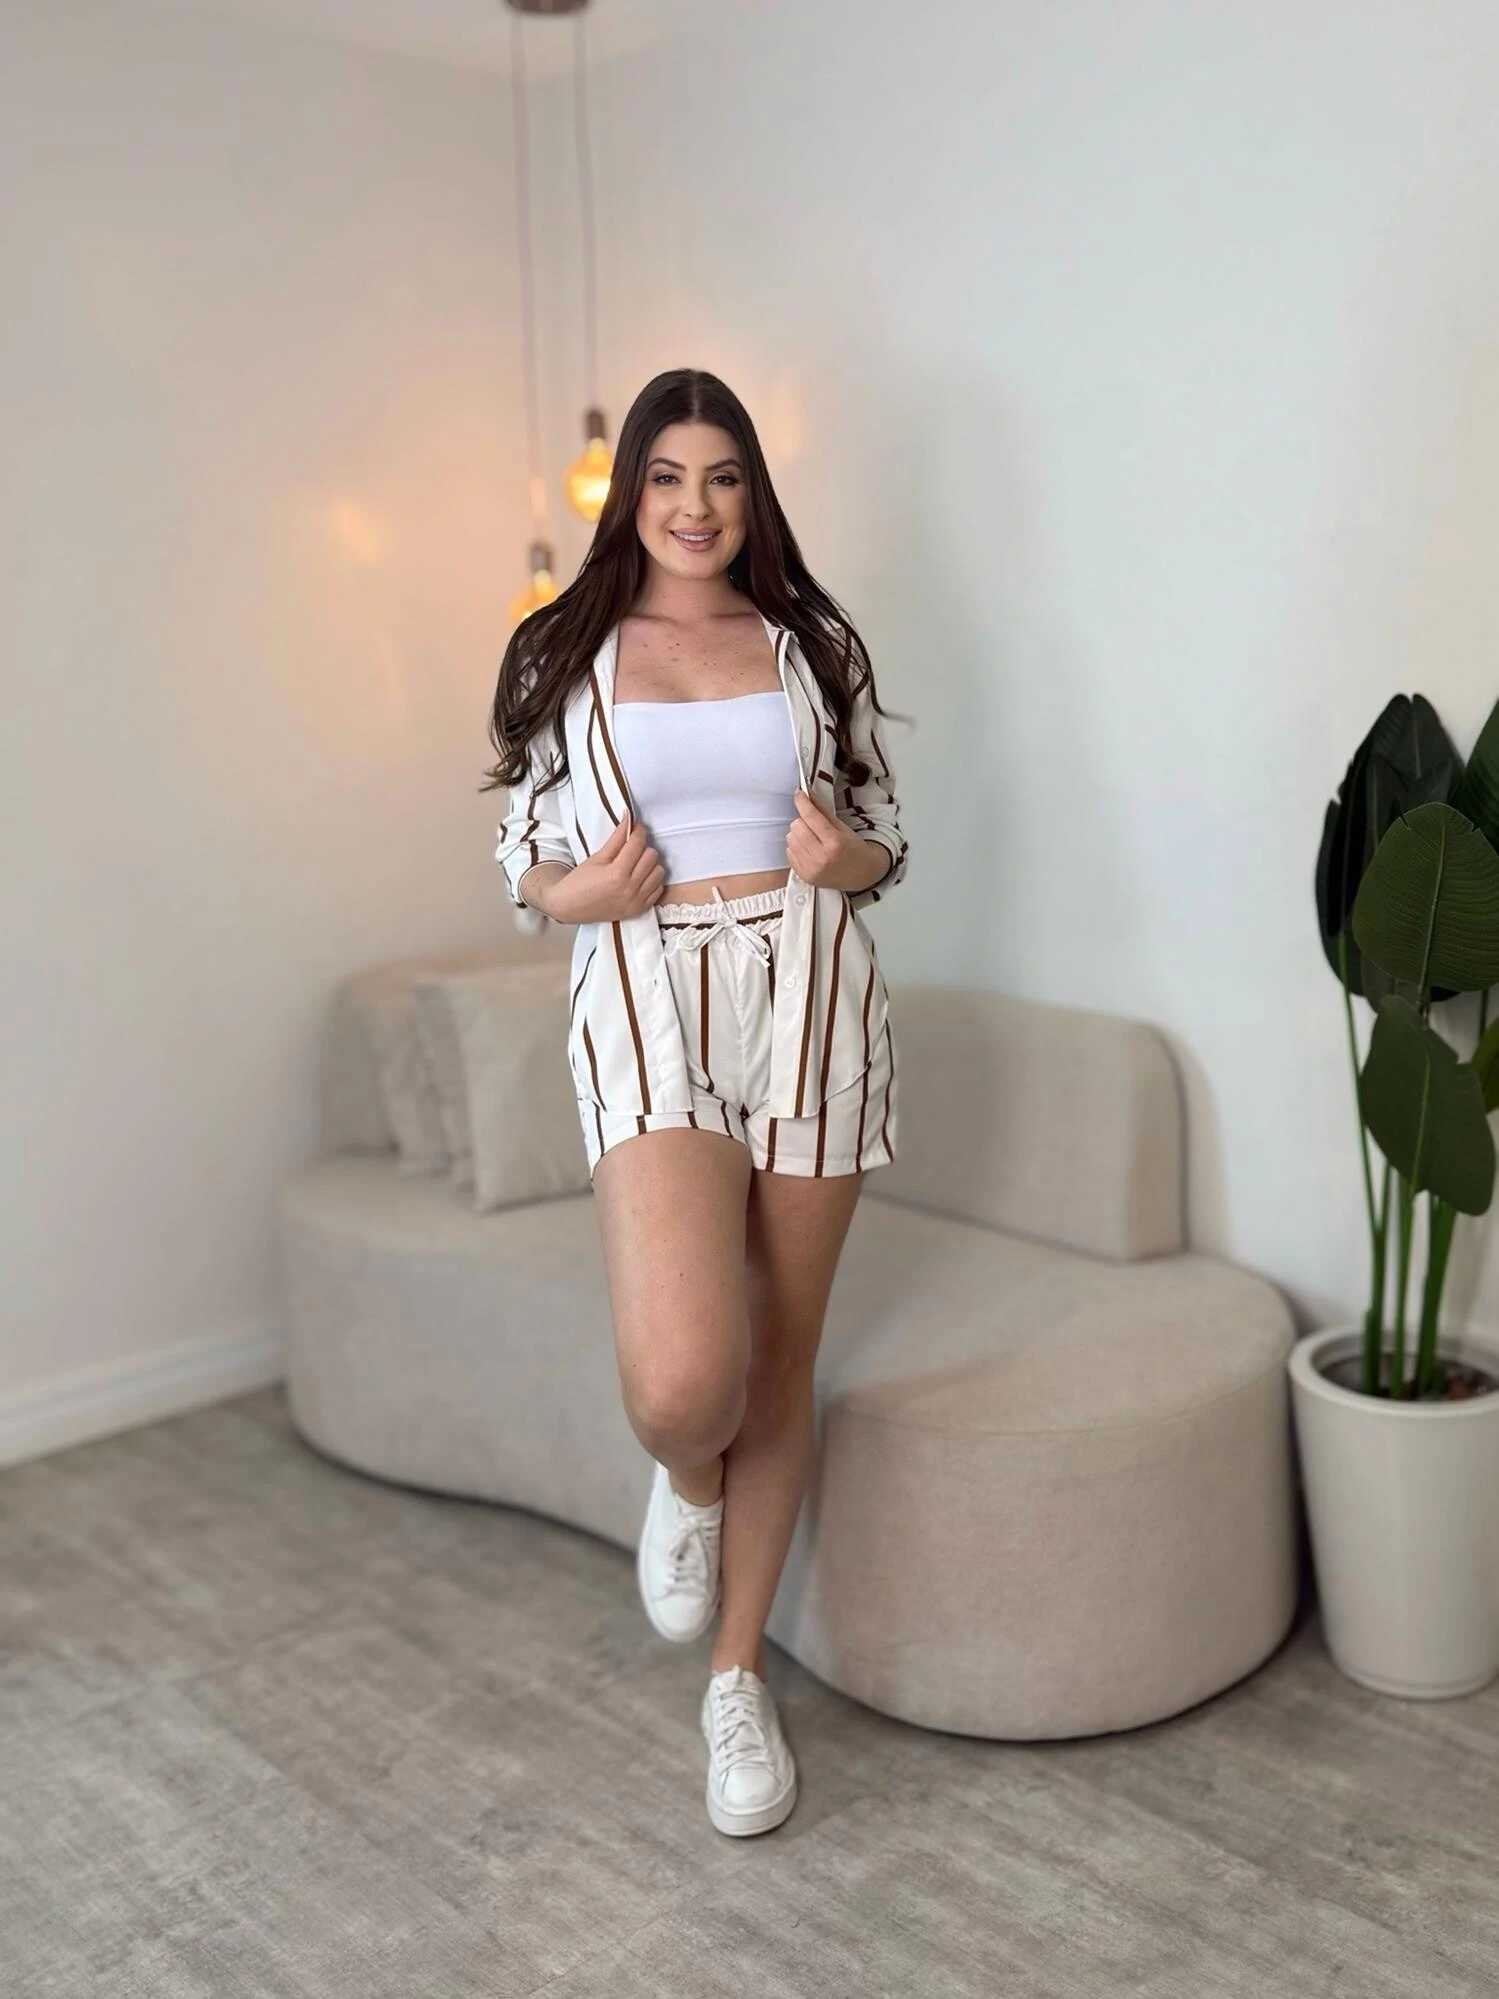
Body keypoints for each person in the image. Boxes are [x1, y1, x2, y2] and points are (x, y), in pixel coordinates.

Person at [485, 366, 910, 1837]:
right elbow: (525, 852)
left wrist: (848, 861)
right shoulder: (564, 649)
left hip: (812, 990)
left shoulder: (811, 646)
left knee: (779, 1355)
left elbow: (884, 832)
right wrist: (572, 895)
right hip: (647, 991)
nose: (694, 504)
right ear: (631, 495)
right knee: (685, 1383)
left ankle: (736, 1681)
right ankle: (687, 1477)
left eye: (721, 476)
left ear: (751, 494)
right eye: (666, 476)